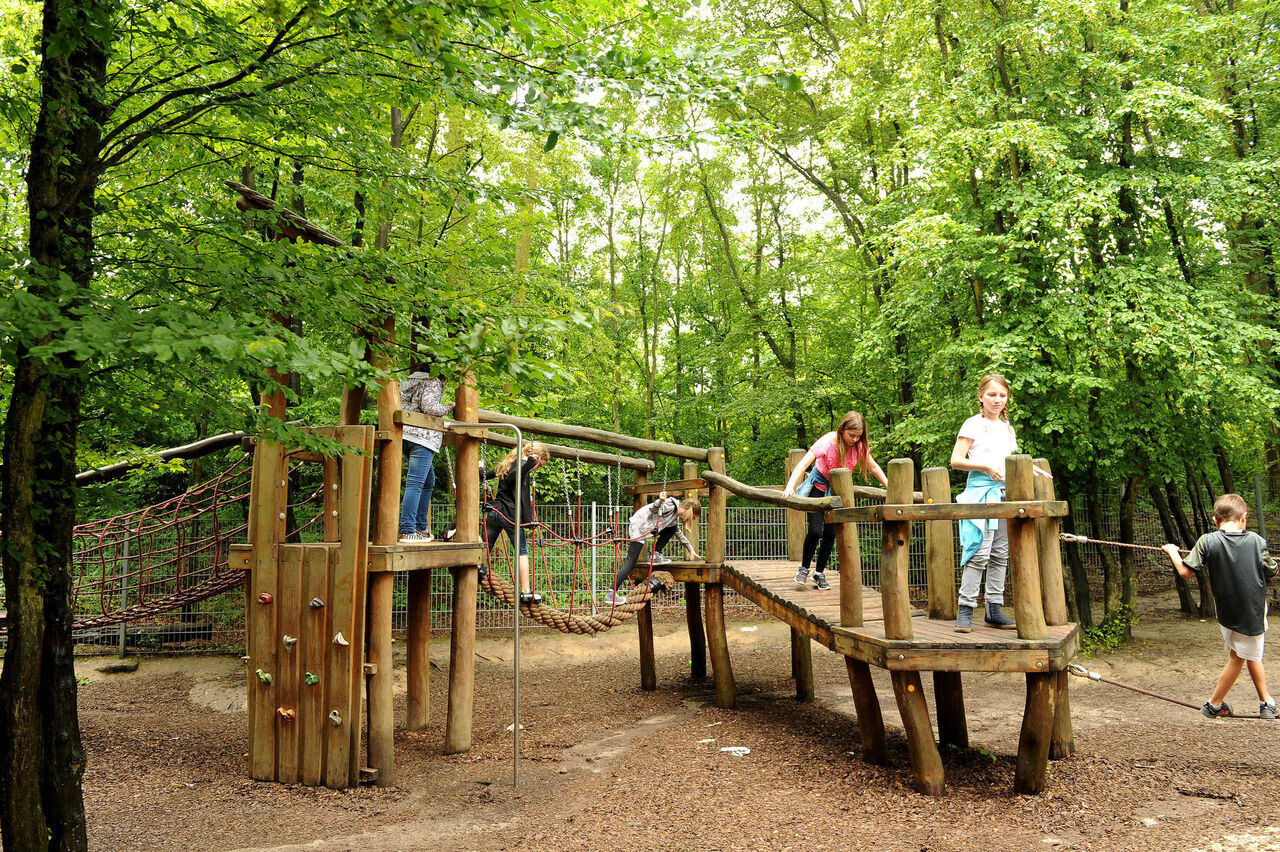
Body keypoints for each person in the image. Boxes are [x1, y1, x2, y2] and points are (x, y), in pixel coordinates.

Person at [1162, 494, 1277, 719]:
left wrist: (1173, 552)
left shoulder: (1207, 541)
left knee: (1246, 653)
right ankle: (1214, 704)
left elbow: (1185, 571)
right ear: (1244, 517)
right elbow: (1272, 570)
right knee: (1240, 656)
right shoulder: (1256, 541)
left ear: (1216, 520)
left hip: (1226, 612)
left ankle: (1266, 702)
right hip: (1251, 613)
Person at [783, 411, 889, 590]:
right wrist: (790, 486)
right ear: (842, 430)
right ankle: (804, 568)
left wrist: (889, 487)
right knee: (816, 530)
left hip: (839, 490)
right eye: (851, 435)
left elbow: (874, 467)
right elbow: (803, 464)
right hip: (819, 485)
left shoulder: (859, 446)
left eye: (858, 436)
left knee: (831, 534)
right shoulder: (828, 441)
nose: (854, 439)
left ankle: (819, 573)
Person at [950, 374, 1019, 632]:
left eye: (1002, 395)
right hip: (980, 495)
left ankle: (994, 610)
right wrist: (986, 467)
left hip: (1003, 496)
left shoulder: (1008, 428)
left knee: (1000, 554)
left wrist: (1030, 468)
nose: (997, 400)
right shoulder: (972, 424)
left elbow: (1006, 464)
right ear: (980, 397)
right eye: (992, 394)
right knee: (979, 553)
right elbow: (956, 460)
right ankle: (965, 610)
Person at [483, 442, 551, 605]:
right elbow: (515, 475)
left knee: (485, 545)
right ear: (537, 457)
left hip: (495, 512)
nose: (537, 468)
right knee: (522, 551)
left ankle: (477, 568)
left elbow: (484, 476)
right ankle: (526, 591)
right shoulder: (521, 465)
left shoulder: (508, 463)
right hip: (510, 515)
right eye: (540, 465)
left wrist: (480, 468)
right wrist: (528, 464)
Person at [605, 493, 701, 606]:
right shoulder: (670, 505)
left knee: (673, 529)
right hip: (639, 526)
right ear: (689, 511)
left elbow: (678, 534)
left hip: (645, 527)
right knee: (630, 563)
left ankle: (655, 554)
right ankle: (611, 593)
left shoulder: (674, 517)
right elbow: (654, 508)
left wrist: (690, 549)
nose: (692, 520)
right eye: (693, 518)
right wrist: (660, 501)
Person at [398, 371, 452, 543]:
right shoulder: (433, 381)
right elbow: (429, 407)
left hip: (406, 435)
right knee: (415, 483)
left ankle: (421, 527)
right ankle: (407, 529)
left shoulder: (410, 380)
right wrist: (449, 407)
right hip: (423, 437)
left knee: (429, 481)